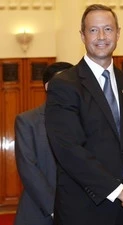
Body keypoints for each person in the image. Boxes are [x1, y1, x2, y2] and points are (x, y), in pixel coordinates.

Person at [44, 4, 123, 225]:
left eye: (108, 29)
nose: (101, 36)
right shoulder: (64, 85)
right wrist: (120, 190)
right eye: (93, 30)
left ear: (118, 33)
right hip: (85, 208)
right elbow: (69, 150)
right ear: (82, 36)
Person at [14, 62, 74, 225]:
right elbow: (28, 168)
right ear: (48, 86)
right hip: (40, 213)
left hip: (79, 213)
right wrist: (55, 209)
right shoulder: (28, 121)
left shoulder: (86, 120)